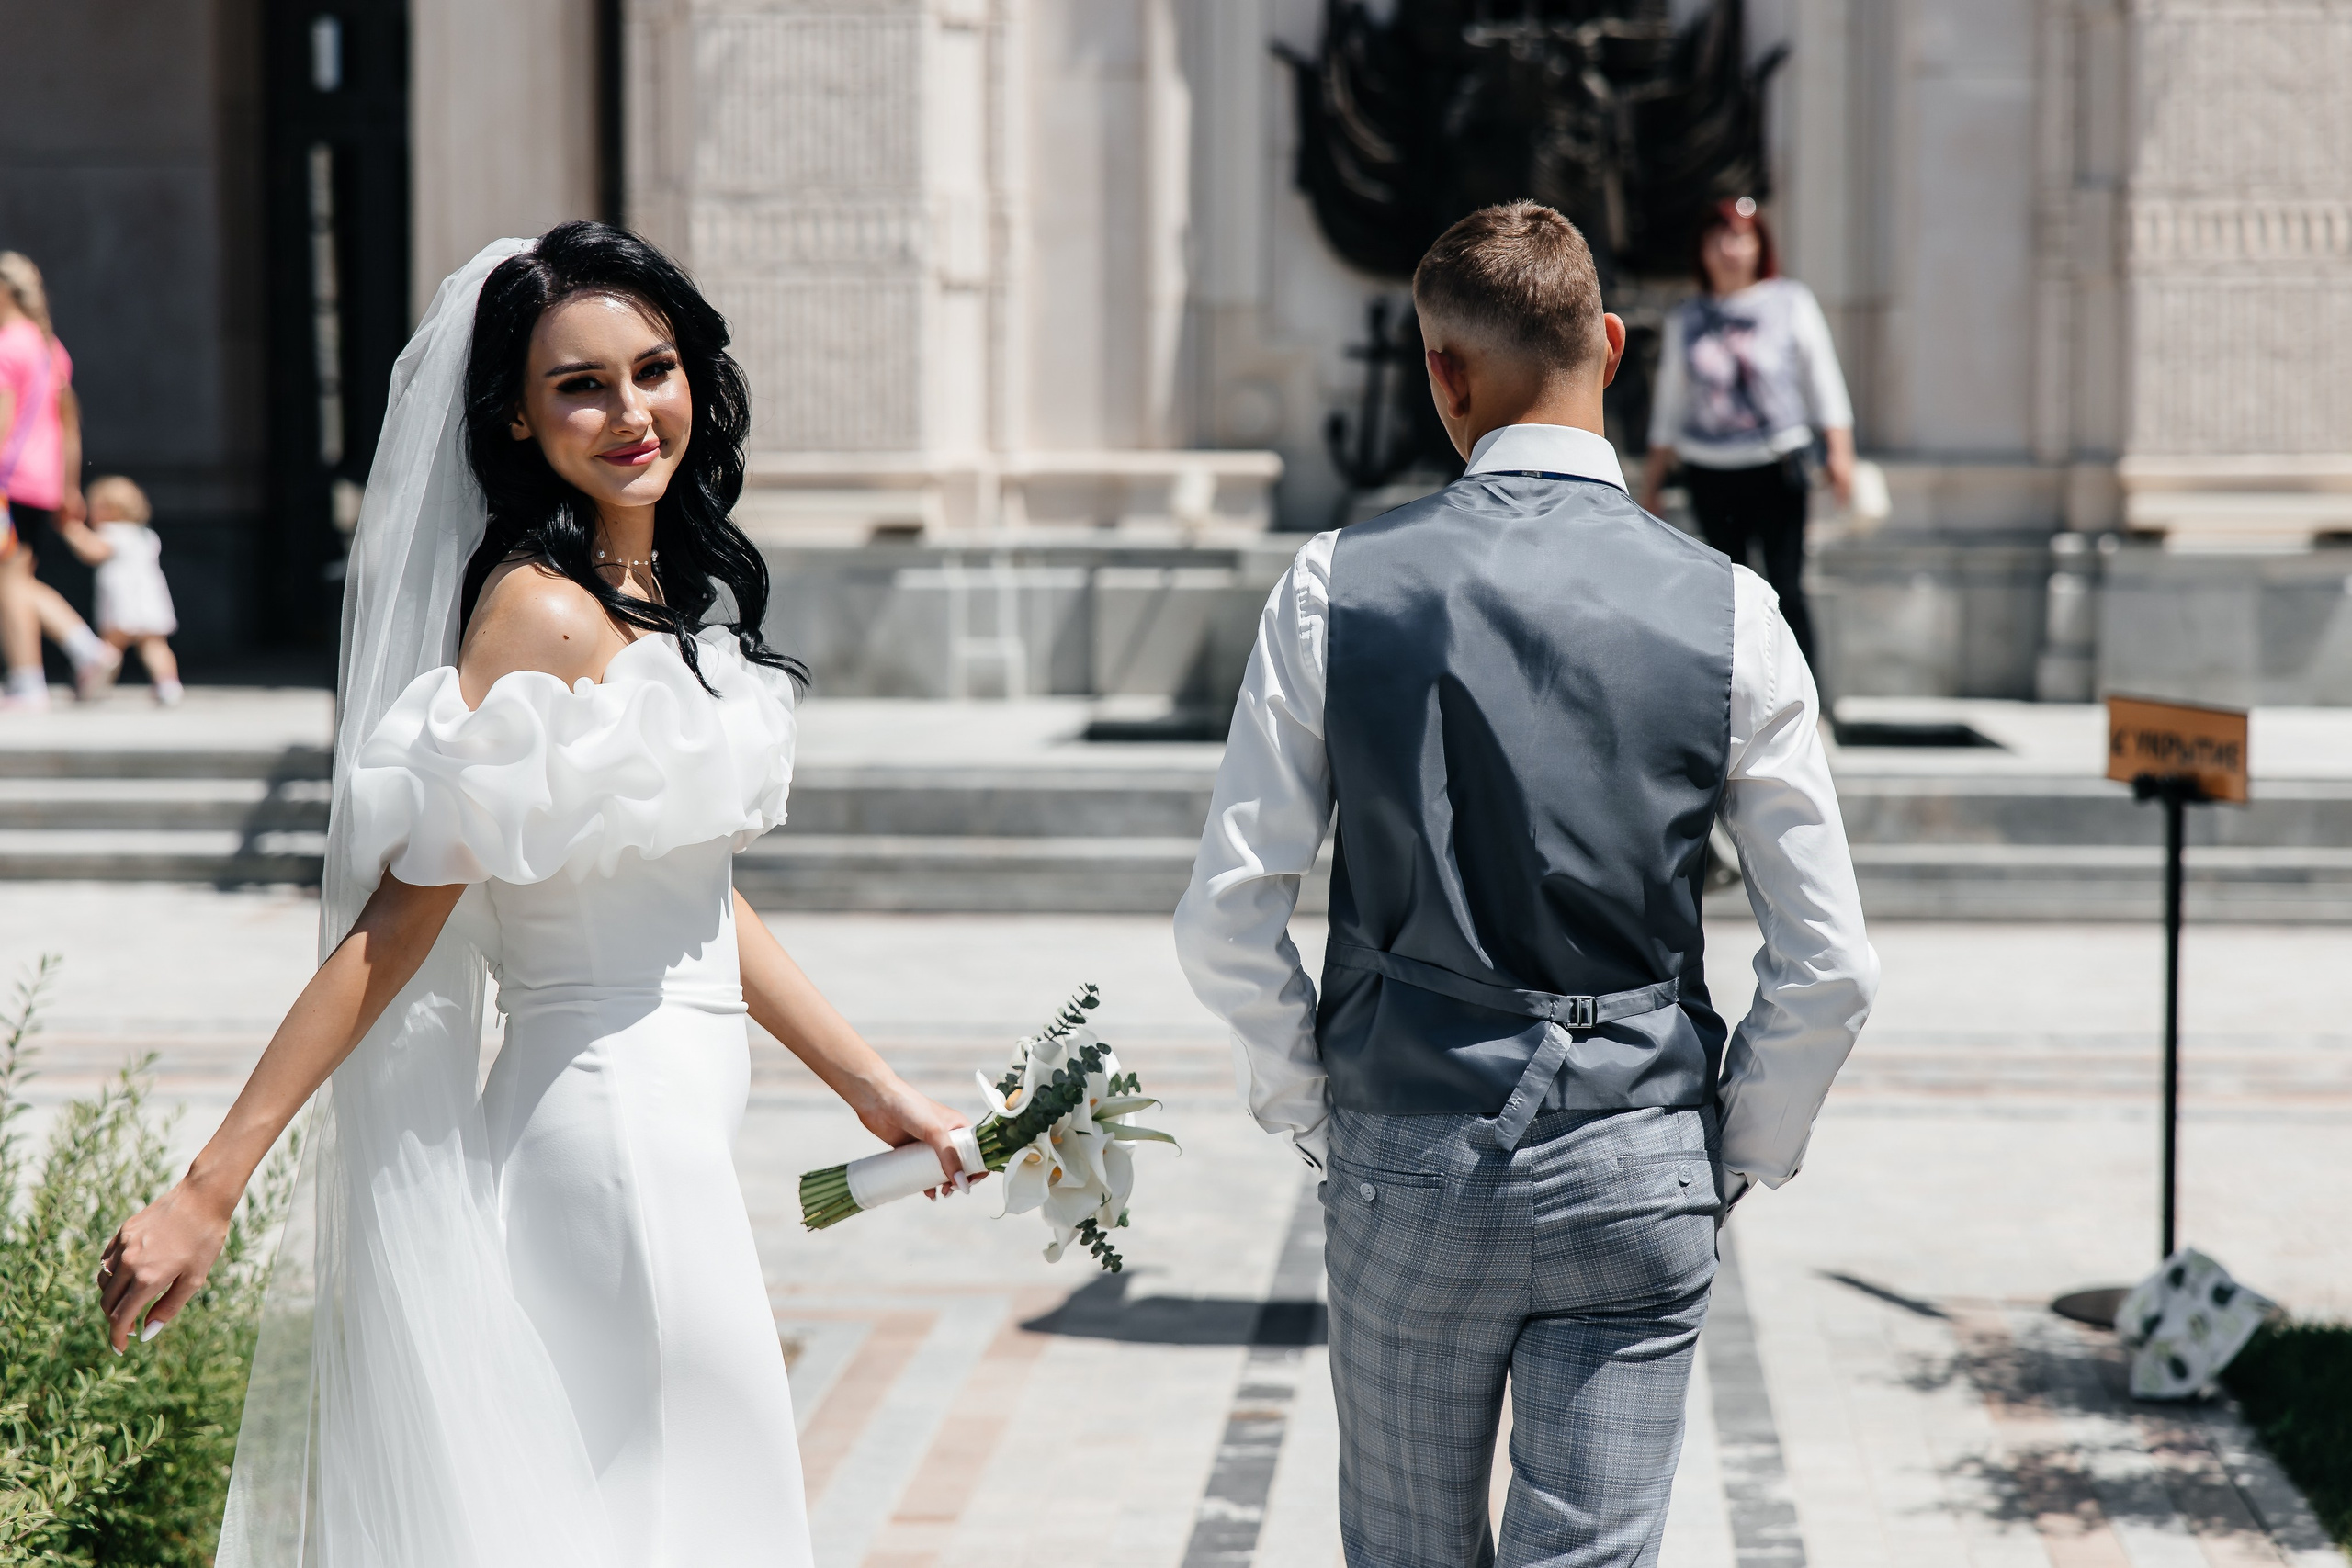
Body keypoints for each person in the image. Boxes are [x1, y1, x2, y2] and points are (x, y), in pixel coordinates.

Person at [95, 223, 977, 1565]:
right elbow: (396, 927)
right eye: (581, 385)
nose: (631, 412)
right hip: (607, 1133)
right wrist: (208, 1184)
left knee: (662, 1512)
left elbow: (694, 888)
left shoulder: (664, 588)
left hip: (670, 1124)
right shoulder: (539, 615)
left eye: (654, 369)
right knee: (704, 1511)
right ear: (515, 412)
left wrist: (871, 1084)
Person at [1174, 201, 1877, 1568]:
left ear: (1442, 372)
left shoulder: (1336, 584)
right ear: (1610, 347)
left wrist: (1313, 1104)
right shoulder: (1733, 606)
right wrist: (1731, 1150)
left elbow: (1226, 913)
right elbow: (1833, 961)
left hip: (1409, 1145)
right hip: (1643, 1154)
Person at [1637, 197, 1854, 667]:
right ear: (1701, 249)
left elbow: (1823, 381)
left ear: (1760, 246)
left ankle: (1808, 705)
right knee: (1726, 594)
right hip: (1710, 469)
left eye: (1740, 236)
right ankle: (1737, 705)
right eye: (1717, 237)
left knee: (1787, 586)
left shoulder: (1791, 301)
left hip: (1777, 464)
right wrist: (1652, 479)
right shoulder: (1686, 318)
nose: (1728, 249)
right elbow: (1670, 405)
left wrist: (1840, 454)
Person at [0, 250, 120, 709]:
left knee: (10, 580)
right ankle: (76, 654)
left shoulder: (9, 347)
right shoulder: (51, 349)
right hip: (42, 482)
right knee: (17, 575)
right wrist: (68, 487)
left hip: (9, 482)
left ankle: (38, 676)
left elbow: (3, 422)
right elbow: (70, 426)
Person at [54, 475, 181, 704]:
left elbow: (93, 551)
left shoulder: (112, 533)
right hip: (151, 600)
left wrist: (70, 529)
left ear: (109, 510)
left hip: (123, 601)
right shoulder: (146, 534)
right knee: (155, 645)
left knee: (108, 650)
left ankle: (92, 687)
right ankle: (168, 685)